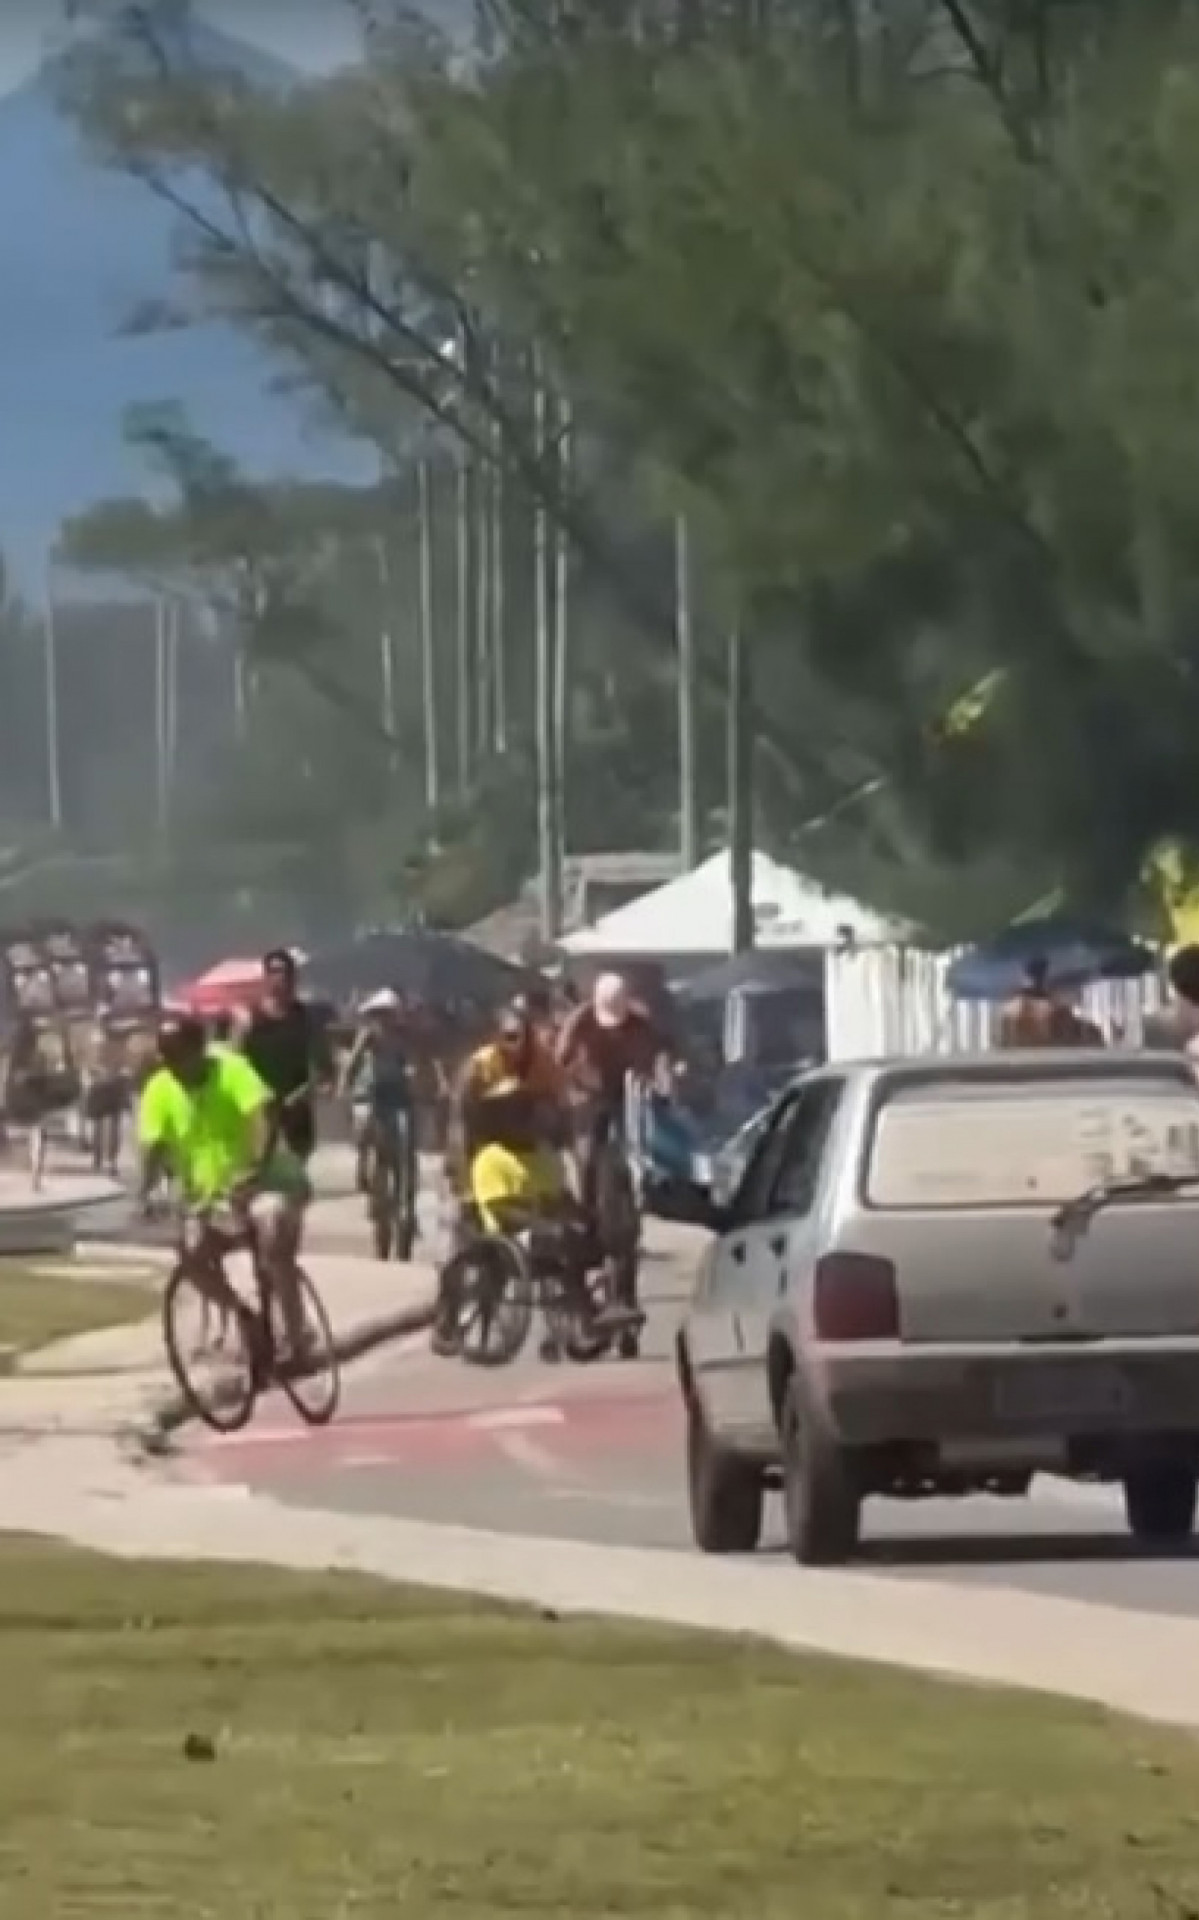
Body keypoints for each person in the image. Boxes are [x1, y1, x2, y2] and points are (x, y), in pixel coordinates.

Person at [138, 1015, 310, 1349]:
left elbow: (262, 1116)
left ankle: (295, 1333)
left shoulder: (231, 1069)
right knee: (190, 1253)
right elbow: (154, 1146)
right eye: (169, 1059)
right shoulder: (159, 1090)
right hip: (212, 1197)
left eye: (182, 1057)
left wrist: (255, 1169)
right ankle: (244, 1316)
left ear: (200, 1050)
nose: (177, 1068)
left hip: (265, 1184)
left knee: (271, 1231)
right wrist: (146, 1193)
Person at [556, 971, 671, 1216]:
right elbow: (561, 1056)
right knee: (588, 1154)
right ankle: (585, 1211)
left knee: (638, 1144)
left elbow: (656, 1053)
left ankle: (637, 1198)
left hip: (625, 1090)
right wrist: (571, 1080)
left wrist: (659, 1079)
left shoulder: (639, 1023)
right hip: (588, 1091)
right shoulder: (580, 1020)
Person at [238, 949, 332, 1166]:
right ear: (265, 976)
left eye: (285, 972)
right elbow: (236, 1063)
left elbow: (321, 1060)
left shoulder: (305, 1018)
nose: (280, 978)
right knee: (256, 1167)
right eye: (274, 971)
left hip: (296, 1103)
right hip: (259, 1103)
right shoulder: (250, 1018)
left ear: (294, 977)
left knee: (298, 1169)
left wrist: (309, 1090)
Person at [338, 988, 415, 1204]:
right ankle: (364, 1165)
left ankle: (404, 1184)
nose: (386, 1018)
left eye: (389, 1013)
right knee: (366, 1128)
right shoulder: (369, 1033)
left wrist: (411, 1072)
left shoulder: (402, 1035)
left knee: (405, 1130)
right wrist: (344, 1083)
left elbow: (408, 1059)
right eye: (382, 1013)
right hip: (373, 1088)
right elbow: (354, 1059)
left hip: (397, 1088)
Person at [997, 958, 1103, 1048]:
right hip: (1049, 1061)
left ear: (1023, 974)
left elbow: (1003, 1043)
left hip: (1020, 1061)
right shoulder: (1057, 1008)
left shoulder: (1009, 1008)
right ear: (1045, 975)